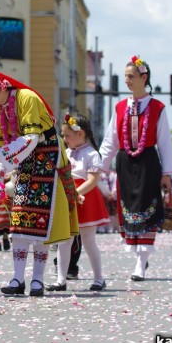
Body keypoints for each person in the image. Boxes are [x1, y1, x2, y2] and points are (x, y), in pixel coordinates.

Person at [0, 70, 79, 296]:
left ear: (2, 88)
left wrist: (2, 156)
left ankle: (37, 279)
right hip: (24, 161)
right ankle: (18, 278)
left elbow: (31, 138)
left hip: (46, 159)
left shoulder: (27, 98)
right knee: (19, 221)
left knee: (41, 219)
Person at [98, 55, 172, 282]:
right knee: (129, 209)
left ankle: (141, 261)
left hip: (149, 163)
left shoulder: (158, 107)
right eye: (125, 77)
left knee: (146, 209)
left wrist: (167, 174)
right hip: (125, 164)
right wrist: (98, 168)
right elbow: (111, 140)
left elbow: (165, 142)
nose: (127, 81)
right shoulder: (121, 107)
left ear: (144, 78)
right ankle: (138, 254)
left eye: (131, 77)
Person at [49, 113, 110, 292]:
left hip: (85, 199)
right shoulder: (66, 153)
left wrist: (76, 193)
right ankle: (61, 279)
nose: (64, 138)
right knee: (64, 240)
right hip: (68, 198)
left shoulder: (91, 154)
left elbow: (92, 181)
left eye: (67, 135)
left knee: (89, 241)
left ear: (80, 134)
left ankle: (99, 278)